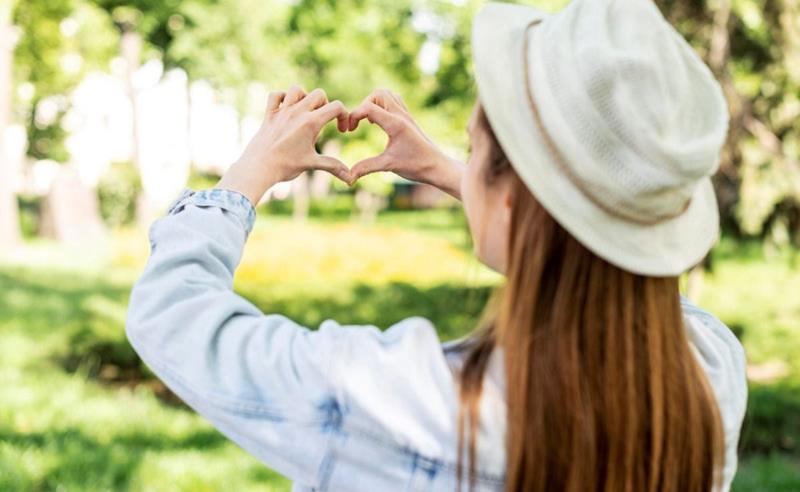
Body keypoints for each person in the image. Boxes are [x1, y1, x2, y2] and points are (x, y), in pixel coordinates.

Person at [125, 0, 748, 490]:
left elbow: (173, 317)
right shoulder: (710, 373)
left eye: (476, 151)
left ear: (510, 200)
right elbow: (614, 270)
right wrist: (457, 172)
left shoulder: (411, 405)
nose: (465, 162)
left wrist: (248, 172)